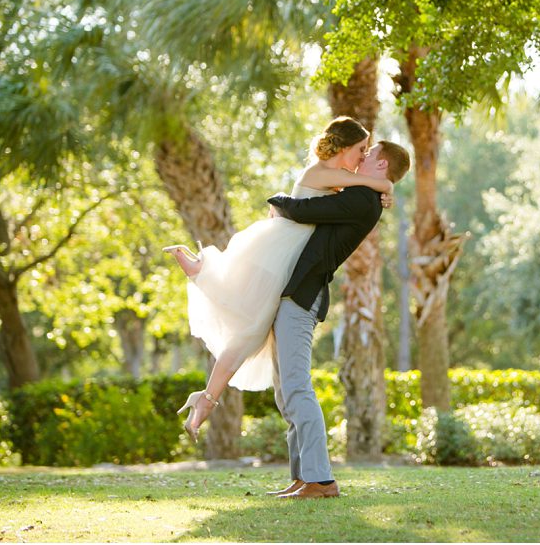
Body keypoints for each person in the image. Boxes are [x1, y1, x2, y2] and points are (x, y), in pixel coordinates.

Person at [166, 117, 394, 441]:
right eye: (360, 149)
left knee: (250, 329)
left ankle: (206, 398)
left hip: (283, 251)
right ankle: (204, 273)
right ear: (343, 147)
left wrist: (380, 188)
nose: (362, 156)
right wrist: (386, 186)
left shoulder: (332, 176)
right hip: (282, 253)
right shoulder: (325, 172)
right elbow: (371, 187)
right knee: (248, 320)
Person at [264, 139, 410, 500]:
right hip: (295, 291)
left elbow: (304, 210)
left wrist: (276, 201)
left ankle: (322, 480)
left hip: (304, 294)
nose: (361, 158)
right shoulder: (364, 193)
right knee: (286, 392)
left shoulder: (362, 199)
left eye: (369, 154)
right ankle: (302, 476)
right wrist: (384, 186)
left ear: (381, 166)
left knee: (297, 386)